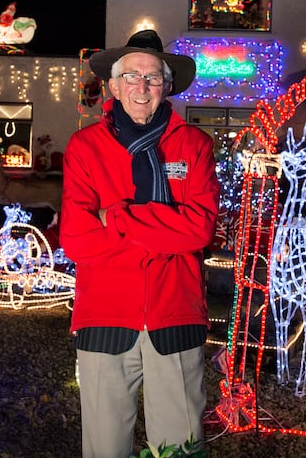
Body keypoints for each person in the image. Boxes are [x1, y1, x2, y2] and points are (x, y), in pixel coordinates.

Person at [60, 29, 221, 458]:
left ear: (167, 86)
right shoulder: (84, 147)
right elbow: (76, 238)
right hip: (104, 315)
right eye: (132, 76)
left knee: (179, 448)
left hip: (177, 313)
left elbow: (199, 230)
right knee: (104, 449)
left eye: (153, 77)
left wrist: (115, 216)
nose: (142, 87)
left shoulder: (195, 146)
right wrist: (167, 231)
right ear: (113, 86)